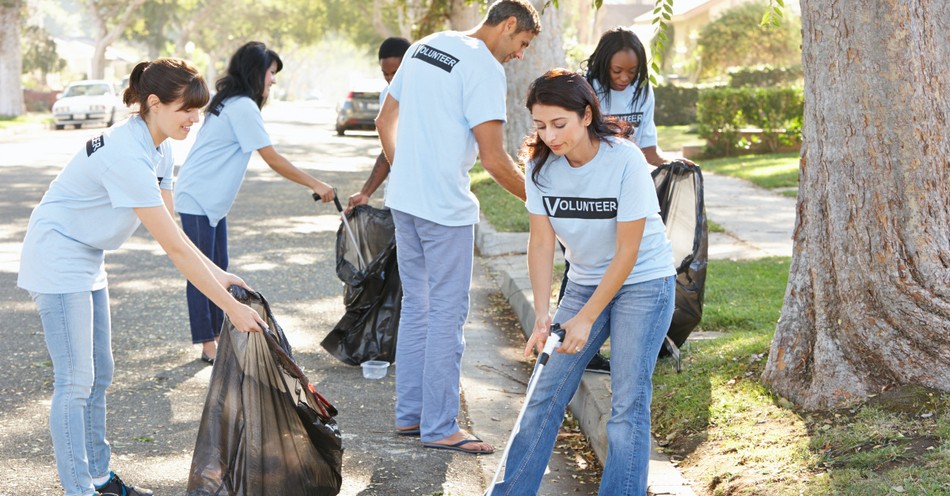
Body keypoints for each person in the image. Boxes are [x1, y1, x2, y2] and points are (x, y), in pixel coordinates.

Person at [17, 58, 268, 496]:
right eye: (186, 109)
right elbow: (172, 248)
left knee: (101, 374)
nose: (195, 118)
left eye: (198, 108)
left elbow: (173, 228)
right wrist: (229, 309)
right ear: (153, 103)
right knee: (75, 381)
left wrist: (219, 274)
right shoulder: (125, 154)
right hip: (57, 256)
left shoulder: (160, 144)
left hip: (87, 255)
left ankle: (99, 478)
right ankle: (79, 490)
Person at [492, 69, 675, 495]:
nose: (550, 136)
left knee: (628, 403)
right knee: (545, 393)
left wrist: (586, 318)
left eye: (560, 124)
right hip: (585, 281)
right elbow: (541, 242)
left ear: (586, 115)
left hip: (644, 282)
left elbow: (628, 252)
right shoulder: (541, 168)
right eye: (540, 125)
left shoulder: (625, 159)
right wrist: (543, 315)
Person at [374, 0, 540, 455]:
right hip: (444, 210)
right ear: (508, 26)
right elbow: (494, 159)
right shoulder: (484, 68)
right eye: (522, 43)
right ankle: (442, 425)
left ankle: (412, 417)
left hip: (404, 202)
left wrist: (404, 170)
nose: (520, 54)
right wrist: (543, 202)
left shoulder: (427, 46)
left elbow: (383, 119)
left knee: (418, 308)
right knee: (446, 315)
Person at [174, 41, 335, 364]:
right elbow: (272, 158)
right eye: (271, 73)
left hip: (209, 201)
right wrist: (315, 183)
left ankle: (218, 337)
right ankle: (208, 344)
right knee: (202, 273)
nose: (273, 80)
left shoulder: (232, 102)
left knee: (219, 271)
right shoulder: (242, 106)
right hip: (197, 198)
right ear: (256, 72)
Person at [576, 27, 694, 374]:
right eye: (617, 71)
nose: (625, 78)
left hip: (629, 189)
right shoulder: (587, 91)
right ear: (602, 66)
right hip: (593, 190)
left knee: (627, 263)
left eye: (632, 71)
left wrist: (669, 161)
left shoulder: (643, 92)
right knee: (586, 265)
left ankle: (635, 341)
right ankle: (584, 346)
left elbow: (647, 148)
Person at [345, 36, 412, 214]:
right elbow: (388, 150)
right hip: (397, 197)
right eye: (385, 74)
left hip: (426, 198)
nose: (391, 80)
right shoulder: (386, 95)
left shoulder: (427, 95)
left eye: (395, 73)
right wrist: (366, 192)